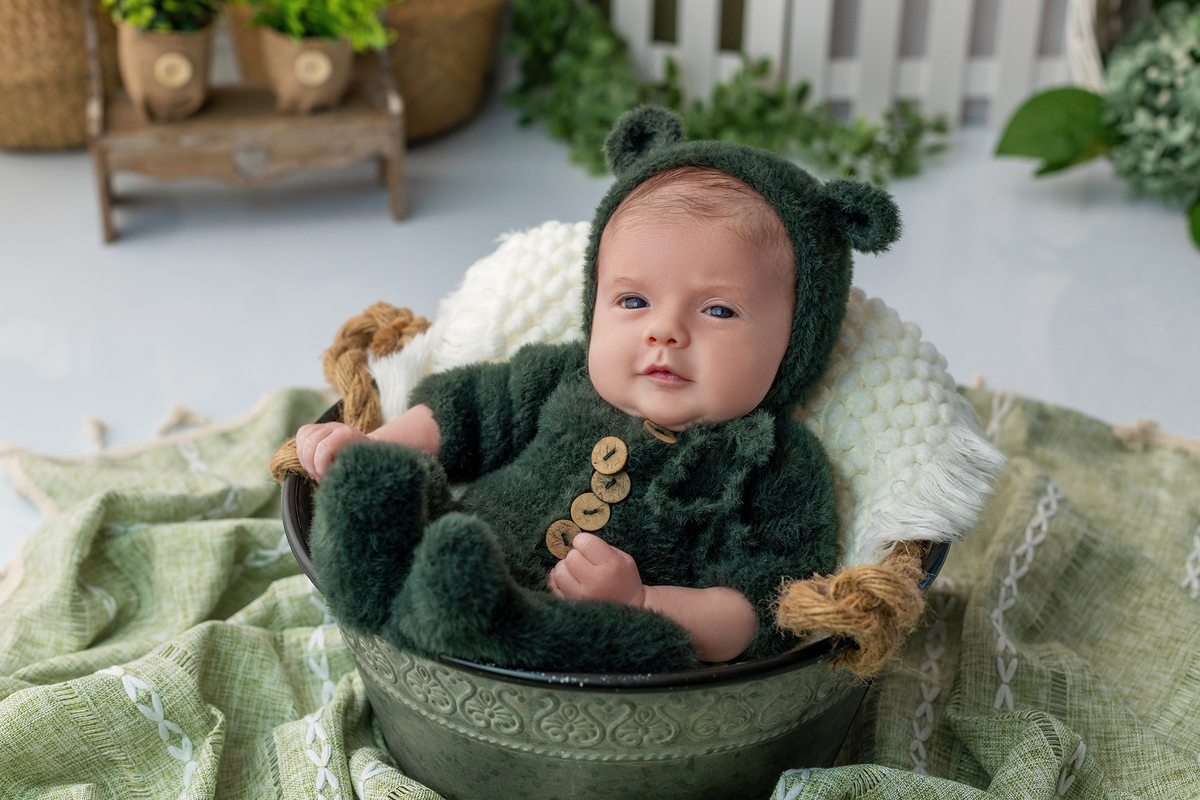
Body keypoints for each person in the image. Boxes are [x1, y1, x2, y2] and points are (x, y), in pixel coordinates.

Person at [298, 106, 901, 674]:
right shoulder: (563, 377)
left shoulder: (777, 464)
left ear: (793, 339)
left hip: (586, 639)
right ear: (596, 305)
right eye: (634, 301)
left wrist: (640, 600)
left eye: (718, 310)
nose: (664, 331)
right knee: (389, 495)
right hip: (462, 539)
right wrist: (375, 445)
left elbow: (763, 608)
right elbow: (466, 411)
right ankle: (380, 552)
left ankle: (465, 615)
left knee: (613, 640)